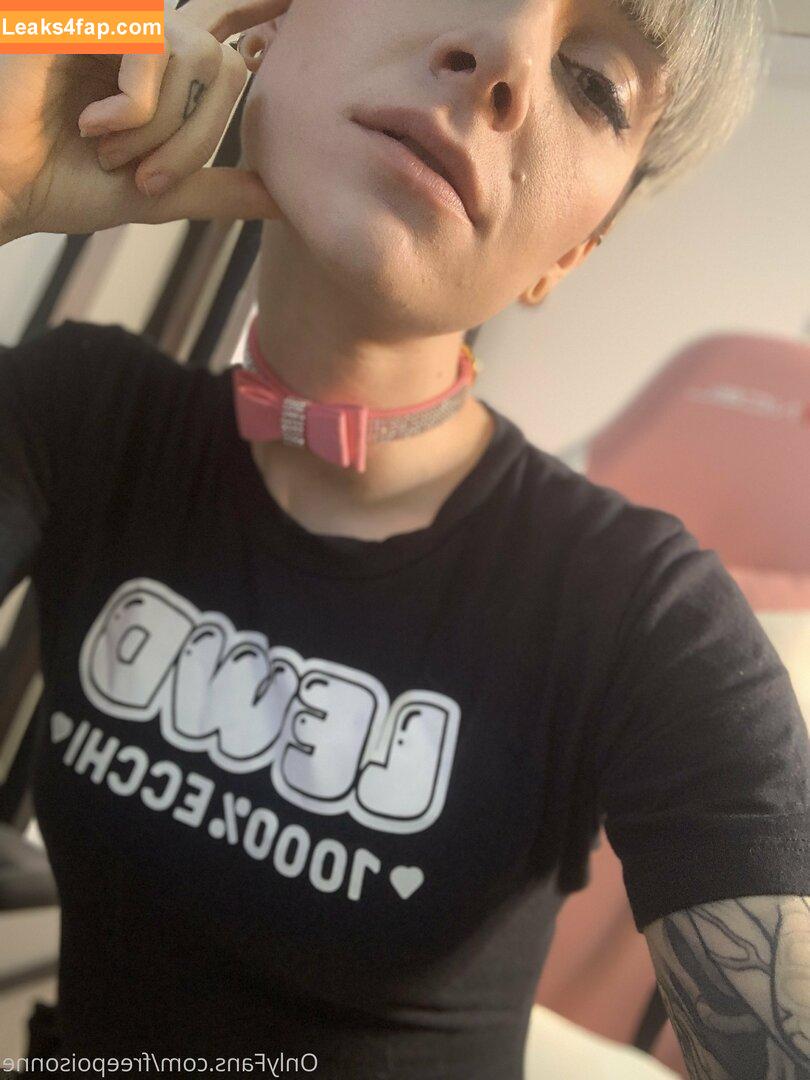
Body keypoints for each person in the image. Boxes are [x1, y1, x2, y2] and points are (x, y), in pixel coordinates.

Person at [1, 0, 809, 1076]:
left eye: (594, 83)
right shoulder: (80, 411)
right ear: (265, 30)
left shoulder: (643, 613)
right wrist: (30, 55)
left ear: (569, 254)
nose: (502, 56)